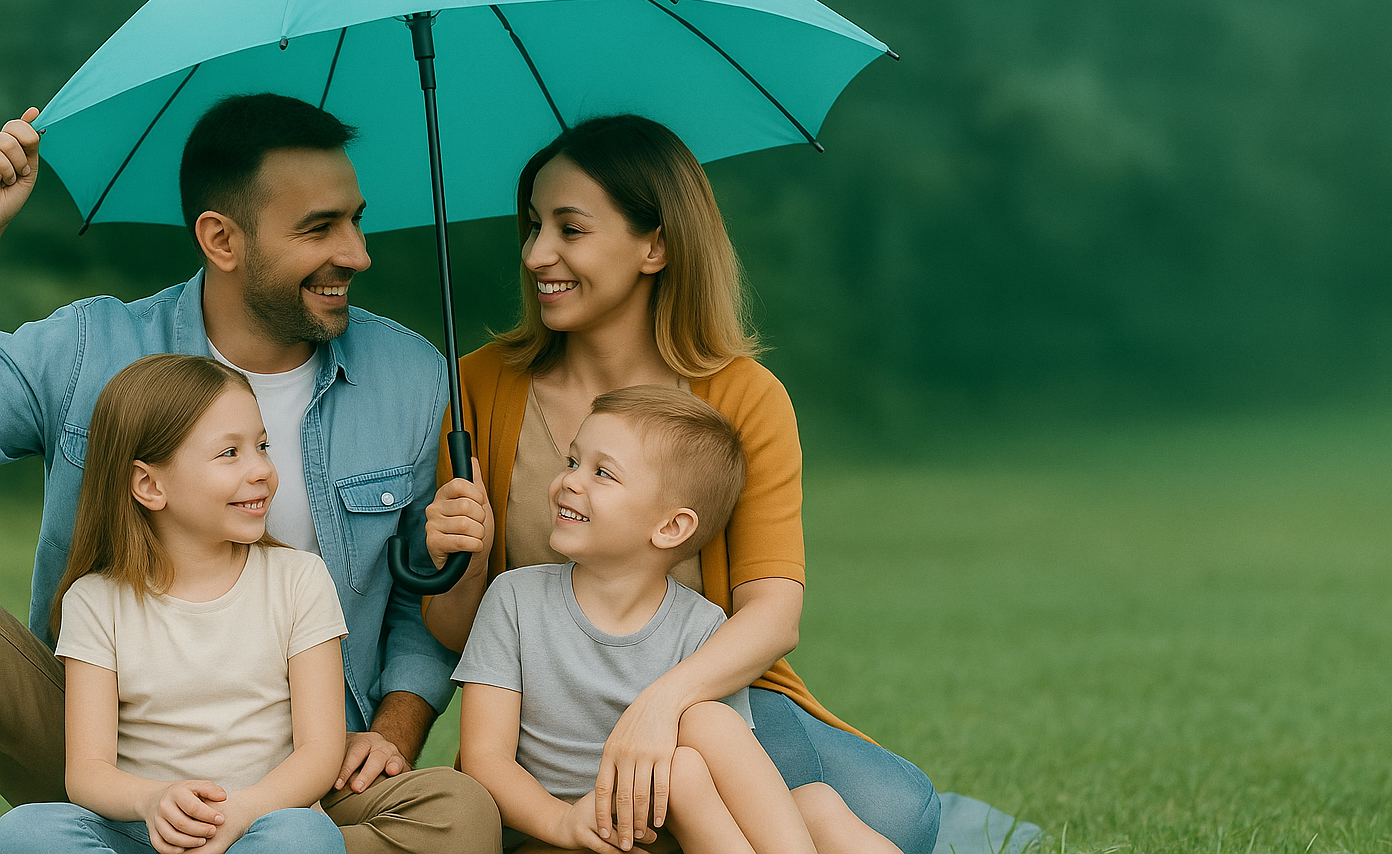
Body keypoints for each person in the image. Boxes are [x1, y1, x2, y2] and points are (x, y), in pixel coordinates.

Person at [420, 115, 941, 854]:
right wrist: (463, 564)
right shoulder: (477, 386)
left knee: (896, 815)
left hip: (703, 701)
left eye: (571, 228)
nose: (538, 254)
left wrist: (663, 703)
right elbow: (454, 631)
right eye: (533, 226)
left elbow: (772, 613)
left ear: (655, 245)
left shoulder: (741, 396)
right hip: (556, 721)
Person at [0, 96, 502, 853]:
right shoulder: (87, 347)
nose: (359, 253)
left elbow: (417, 601)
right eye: (319, 228)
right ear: (221, 239)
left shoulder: (411, 376)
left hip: (305, 776)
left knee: (459, 813)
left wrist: (395, 730)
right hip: (104, 761)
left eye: (355, 220)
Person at [457, 384, 901, 854]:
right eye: (572, 461)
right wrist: (562, 822)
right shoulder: (515, 599)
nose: (570, 480)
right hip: (564, 837)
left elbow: (714, 777)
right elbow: (485, 759)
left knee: (813, 801)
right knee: (693, 764)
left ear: (670, 527)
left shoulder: (702, 627)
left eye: (602, 473)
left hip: (673, 828)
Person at [0, 354, 348, 853]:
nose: (261, 470)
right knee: (24, 831)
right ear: (149, 485)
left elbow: (319, 753)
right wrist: (153, 801)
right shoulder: (96, 601)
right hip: (142, 834)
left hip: (259, 826)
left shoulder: (299, 580)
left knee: (306, 836)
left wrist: (241, 812)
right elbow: (88, 773)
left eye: (262, 446)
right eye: (229, 453)